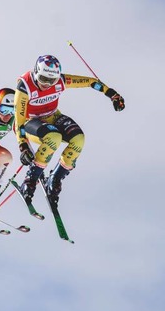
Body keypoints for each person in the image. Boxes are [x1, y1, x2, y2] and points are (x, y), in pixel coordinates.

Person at [14, 55, 125, 207]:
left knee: (78, 139)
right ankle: (31, 179)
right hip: (30, 122)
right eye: (43, 79)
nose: (46, 84)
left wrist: (112, 94)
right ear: (35, 72)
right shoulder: (25, 86)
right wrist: (23, 145)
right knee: (54, 138)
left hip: (53, 116)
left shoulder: (61, 81)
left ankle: (55, 179)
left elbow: (91, 82)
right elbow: (18, 121)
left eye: (51, 80)